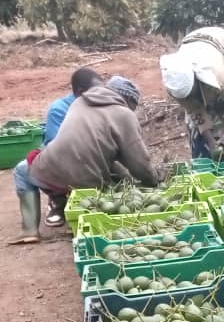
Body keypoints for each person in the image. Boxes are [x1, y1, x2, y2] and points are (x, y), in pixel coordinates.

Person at [10, 76, 158, 245]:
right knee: (101, 179)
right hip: (90, 183)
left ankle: (29, 230)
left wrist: (126, 175)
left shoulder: (79, 102)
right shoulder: (124, 114)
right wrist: (153, 180)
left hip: (50, 168)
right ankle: (72, 213)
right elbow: (138, 162)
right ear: (127, 100)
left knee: (22, 171)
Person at [160, 27, 224, 161]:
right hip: (195, 45)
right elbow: (194, 110)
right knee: (201, 143)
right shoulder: (174, 84)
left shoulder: (216, 73)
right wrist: (211, 141)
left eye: (192, 93)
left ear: (198, 81)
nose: (191, 98)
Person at [41, 66, 103, 228]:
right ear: (81, 91)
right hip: (63, 161)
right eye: (96, 91)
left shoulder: (97, 105)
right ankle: (58, 202)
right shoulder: (59, 109)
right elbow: (59, 149)